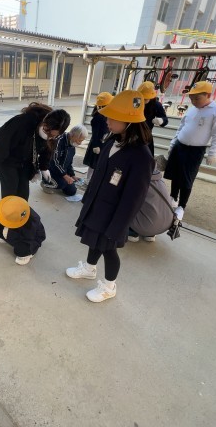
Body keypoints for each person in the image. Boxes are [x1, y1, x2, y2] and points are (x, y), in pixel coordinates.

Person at [65, 90, 154, 303]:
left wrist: (119, 226)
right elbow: (98, 175)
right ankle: (89, 268)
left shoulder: (142, 156)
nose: (107, 121)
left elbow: (135, 198)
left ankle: (109, 286)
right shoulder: (112, 141)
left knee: (108, 248)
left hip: (114, 213)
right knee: (93, 240)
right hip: (98, 205)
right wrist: (88, 201)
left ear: (129, 122)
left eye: (113, 118)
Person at [164, 81, 216, 220]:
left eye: (197, 98)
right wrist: (173, 143)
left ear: (208, 95)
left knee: (187, 178)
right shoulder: (192, 109)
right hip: (180, 145)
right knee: (175, 173)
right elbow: (182, 127)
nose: (193, 101)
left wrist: (213, 153)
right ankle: (173, 197)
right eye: (191, 98)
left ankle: (182, 206)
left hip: (195, 150)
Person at [0, 103, 71, 200]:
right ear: (44, 122)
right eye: (48, 132)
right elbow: (1, 147)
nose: (49, 137)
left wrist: (44, 167)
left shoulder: (55, 133)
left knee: (23, 194)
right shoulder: (20, 123)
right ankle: (7, 209)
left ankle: (21, 209)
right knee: (10, 192)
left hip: (26, 161)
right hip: (8, 159)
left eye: (53, 136)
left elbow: (48, 149)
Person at [0, 196, 46, 265]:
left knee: (21, 249)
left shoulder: (31, 223)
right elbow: (3, 217)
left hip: (30, 238)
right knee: (2, 220)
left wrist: (10, 233)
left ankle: (27, 254)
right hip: (18, 226)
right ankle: (5, 235)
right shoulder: (15, 208)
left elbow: (28, 238)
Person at [127, 168, 174, 242]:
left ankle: (133, 232)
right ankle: (150, 234)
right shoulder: (160, 180)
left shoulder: (138, 180)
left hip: (146, 226)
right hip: (166, 225)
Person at [43, 124, 88, 196]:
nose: (80, 143)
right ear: (74, 135)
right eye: (79, 140)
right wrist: (65, 175)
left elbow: (69, 163)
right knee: (62, 184)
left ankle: (57, 182)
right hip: (51, 170)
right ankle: (45, 183)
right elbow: (53, 161)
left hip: (62, 171)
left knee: (71, 191)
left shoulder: (72, 144)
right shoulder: (59, 141)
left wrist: (72, 175)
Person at [82, 92, 111, 180]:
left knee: (98, 163)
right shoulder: (98, 117)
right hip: (97, 144)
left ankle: (91, 179)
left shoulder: (106, 115)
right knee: (93, 164)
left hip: (103, 143)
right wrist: (96, 146)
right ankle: (88, 180)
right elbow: (95, 134)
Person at [137, 81, 168, 155]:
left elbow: (165, 119)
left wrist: (161, 121)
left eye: (146, 99)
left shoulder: (156, 105)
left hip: (146, 135)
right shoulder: (135, 102)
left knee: (146, 157)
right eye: (142, 98)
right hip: (131, 134)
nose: (143, 100)